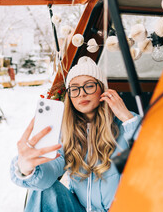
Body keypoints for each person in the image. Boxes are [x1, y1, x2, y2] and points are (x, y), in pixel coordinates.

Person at [10, 56, 140, 212]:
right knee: (44, 190)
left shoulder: (126, 124)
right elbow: (50, 169)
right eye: (74, 88)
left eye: (89, 86)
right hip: (80, 209)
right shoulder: (66, 133)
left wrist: (127, 118)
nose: (81, 94)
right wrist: (27, 169)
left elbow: (153, 160)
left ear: (103, 90)